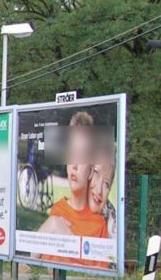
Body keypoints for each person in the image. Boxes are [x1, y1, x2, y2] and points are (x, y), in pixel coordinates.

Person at [37, 111, 108, 266]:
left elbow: (100, 276)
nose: (74, 165)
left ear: (91, 170)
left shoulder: (99, 224)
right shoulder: (58, 210)